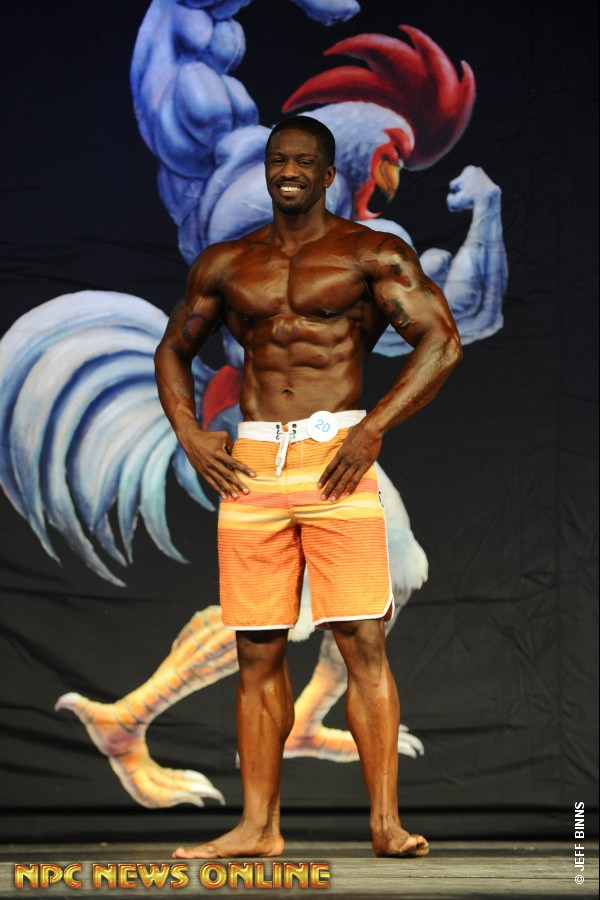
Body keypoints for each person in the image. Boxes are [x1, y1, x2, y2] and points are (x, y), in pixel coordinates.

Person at [154, 115, 462, 859]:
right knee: (257, 652)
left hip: (336, 458)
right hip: (254, 463)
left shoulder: (370, 253)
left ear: (328, 175)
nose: (288, 171)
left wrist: (373, 426)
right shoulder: (228, 263)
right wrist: (190, 434)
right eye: (278, 160)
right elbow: (172, 349)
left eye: (302, 162)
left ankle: (385, 824)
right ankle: (258, 828)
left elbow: (442, 340)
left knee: (362, 640)